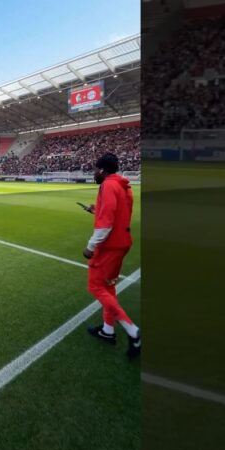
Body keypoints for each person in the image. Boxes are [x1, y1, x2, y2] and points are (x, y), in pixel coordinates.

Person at [83, 153, 141, 358]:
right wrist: (95, 209)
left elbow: (106, 223)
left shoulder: (107, 185)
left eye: (95, 169)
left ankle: (133, 331)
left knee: (96, 286)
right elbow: (118, 213)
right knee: (108, 287)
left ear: (102, 170)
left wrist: (90, 246)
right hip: (122, 243)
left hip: (109, 246)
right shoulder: (124, 185)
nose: (93, 172)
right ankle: (108, 331)